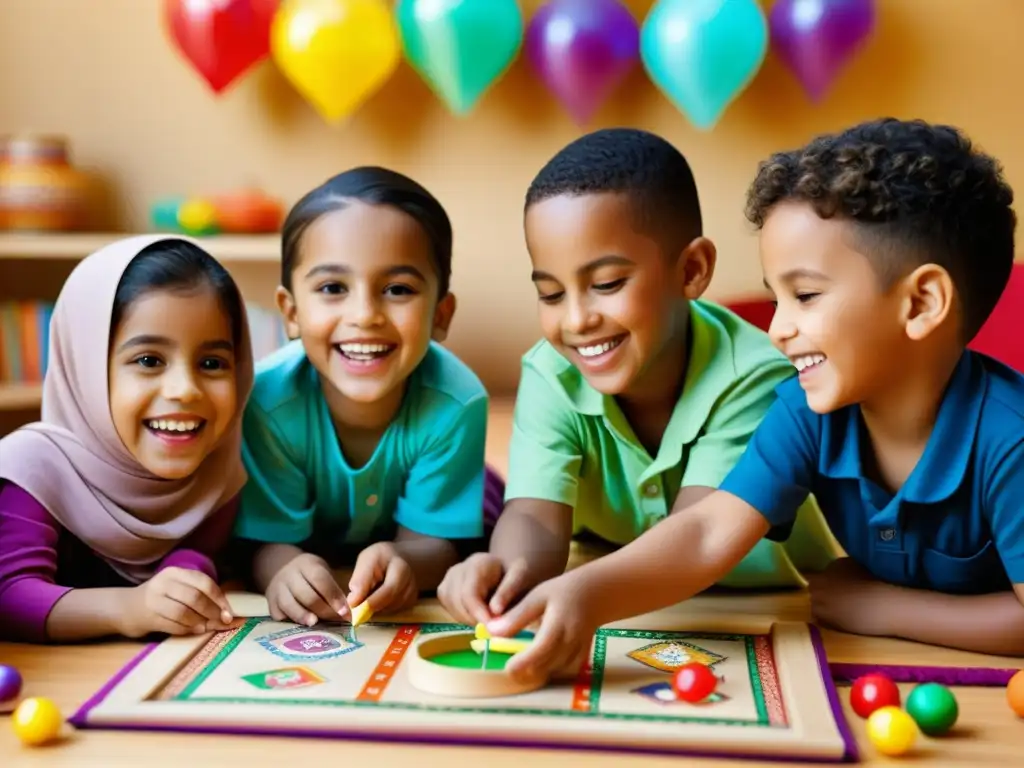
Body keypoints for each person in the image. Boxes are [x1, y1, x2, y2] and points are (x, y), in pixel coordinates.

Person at [485, 118, 1024, 680]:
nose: (778, 331)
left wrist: (885, 609)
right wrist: (584, 595)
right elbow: (706, 531)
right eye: (777, 299)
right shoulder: (806, 413)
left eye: (806, 296)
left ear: (921, 304)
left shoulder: (1012, 442)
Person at [438, 128, 836, 627]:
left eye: (606, 284)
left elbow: (698, 534)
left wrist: (581, 594)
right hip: (620, 598)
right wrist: (504, 572)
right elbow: (534, 518)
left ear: (691, 270)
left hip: (773, 610)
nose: (577, 320)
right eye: (551, 294)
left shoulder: (758, 376)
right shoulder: (551, 373)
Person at [235, 166, 504, 627]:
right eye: (333, 288)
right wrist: (282, 569)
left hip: (457, 496)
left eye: (397, 290)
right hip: (314, 533)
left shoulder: (457, 402)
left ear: (441, 314)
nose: (365, 315)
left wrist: (408, 562)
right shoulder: (266, 403)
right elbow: (263, 542)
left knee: (490, 529)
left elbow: (434, 546)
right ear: (291, 312)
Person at [0, 235, 254, 643]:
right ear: (85, 367)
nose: (185, 389)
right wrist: (130, 608)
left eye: (211, 363)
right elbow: (8, 595)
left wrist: (188, 568)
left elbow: (213, 554)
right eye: (149, 361)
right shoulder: (31, 469)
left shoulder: (218, 469)